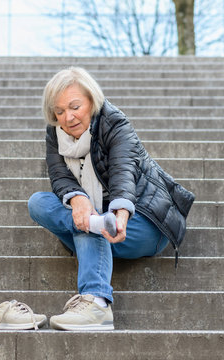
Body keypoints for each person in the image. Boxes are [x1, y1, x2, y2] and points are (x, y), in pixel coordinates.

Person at [27, 67, 194, 331]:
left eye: (74, 107)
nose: (67, 118)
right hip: (101, 215)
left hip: (144, 220)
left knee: (89, 224)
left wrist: (121, 214)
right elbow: (59, 177)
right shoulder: (55, 134)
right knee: (38, 203)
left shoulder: (114, 123)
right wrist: (78, 201)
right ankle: (94, 225)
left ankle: (97, 303)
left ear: (92, 101)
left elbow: (123, 172)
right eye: (59, 111)